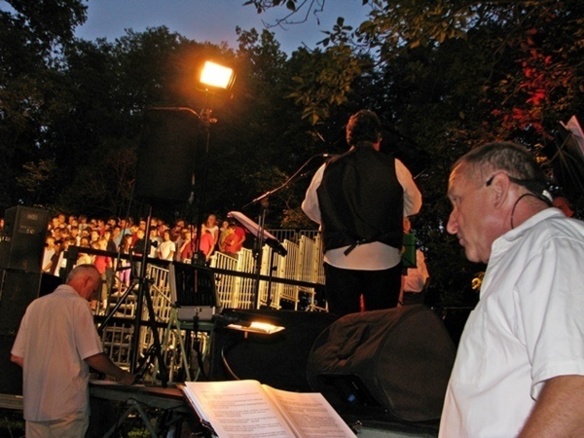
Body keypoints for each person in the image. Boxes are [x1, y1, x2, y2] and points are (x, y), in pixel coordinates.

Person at [440, 142, 584, 437]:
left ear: (499, 189)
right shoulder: (532, 253)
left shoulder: (551, 245)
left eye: (457, 201)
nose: (451, 224)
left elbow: (577, 384)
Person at [302, 109, 422, 315]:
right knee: (379, 326)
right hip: (383, 257)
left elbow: (310, 208)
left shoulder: (327, 168)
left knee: (342, 324)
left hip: (339, 256)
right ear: (379, 137)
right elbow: (415, 204)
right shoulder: (395, 166)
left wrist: (334, 220)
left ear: (349, 137)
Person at [11, 264, 135, 437]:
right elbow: (92, 355)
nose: (92, 296)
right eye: (93, 290)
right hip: (67, 405)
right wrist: (121, 375)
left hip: (34, 405)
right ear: (87, 281)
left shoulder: (35, 306)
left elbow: (17, 356)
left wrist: (43, 371)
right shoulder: (78, 305)